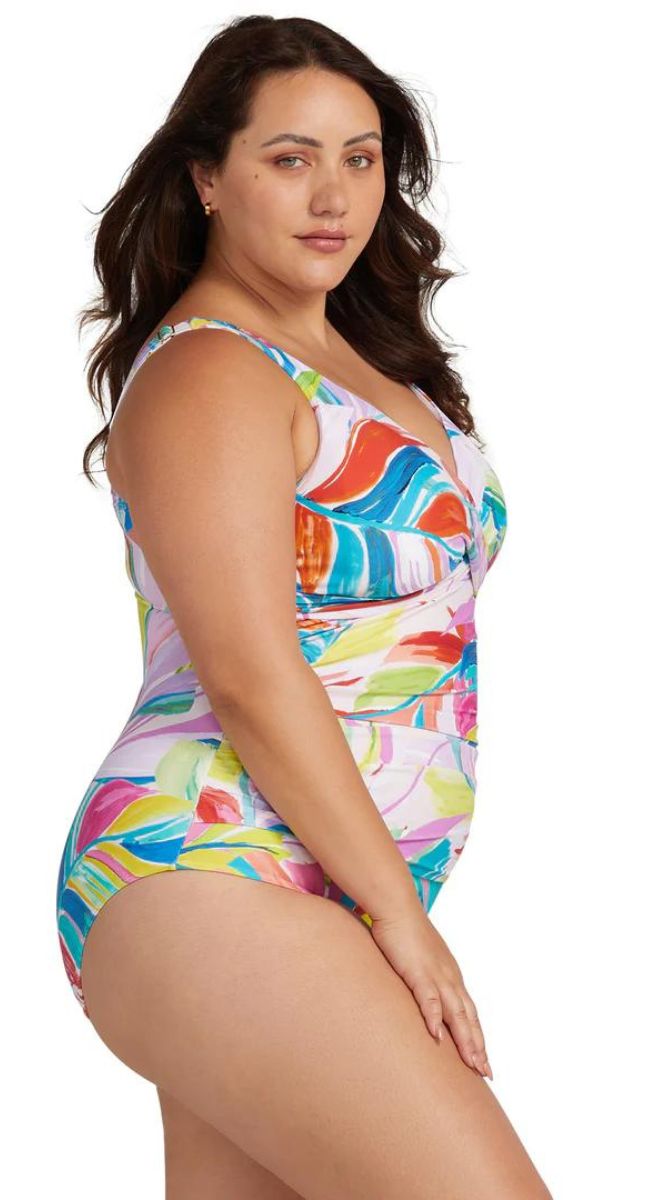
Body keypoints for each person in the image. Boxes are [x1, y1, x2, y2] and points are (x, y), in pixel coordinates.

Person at [55, 15, 552, 1200]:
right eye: (289, 159)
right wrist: (404, 926)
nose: (333, 196)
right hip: (211, 852)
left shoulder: (369, 365)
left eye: (360, 158)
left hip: (311, 882)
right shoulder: (210, 371)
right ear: (207, 178)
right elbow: (248, 673)